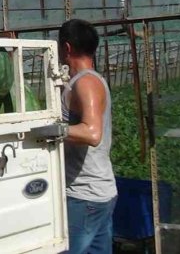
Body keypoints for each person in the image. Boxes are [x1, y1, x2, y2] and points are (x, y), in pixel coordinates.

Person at [59, 19, 117, 254]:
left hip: (85, 195)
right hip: (97, 193)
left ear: (67, 48)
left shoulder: (86, 82)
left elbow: (92, 133)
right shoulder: (85, 81)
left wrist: (51, 130)